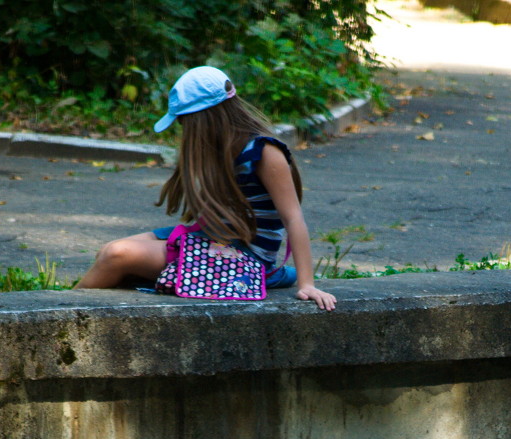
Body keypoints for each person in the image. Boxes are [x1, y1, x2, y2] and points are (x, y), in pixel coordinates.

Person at [77, 66, 337, 311]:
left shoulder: (264, 153)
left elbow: (293, 217)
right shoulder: (220, 149)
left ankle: (65, 307)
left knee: (116, 255)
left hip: (243, 257)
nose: (182, 130)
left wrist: (307, 284)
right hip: (214, 238)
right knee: (108, 251)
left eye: (183, 123)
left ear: (204, 120)